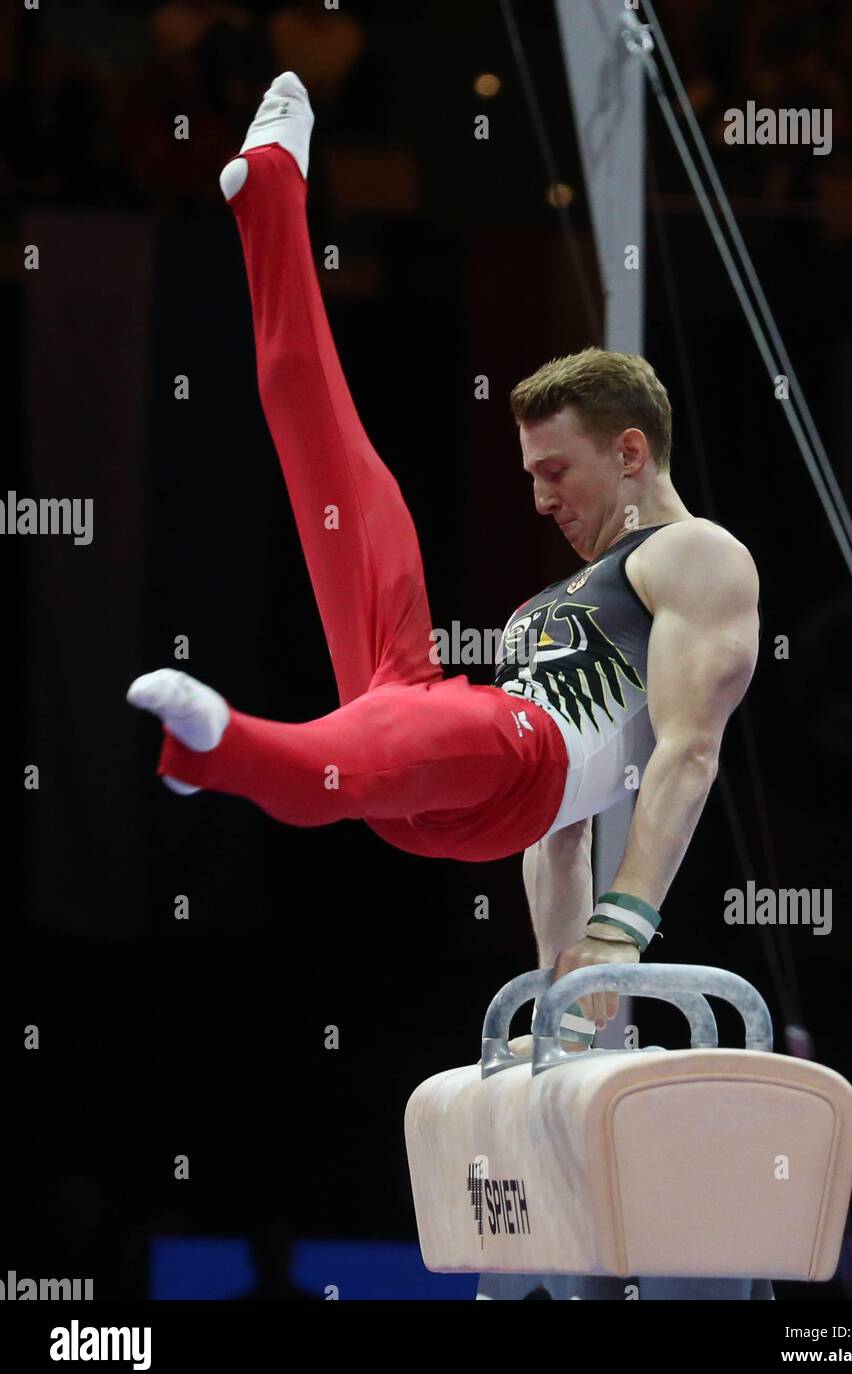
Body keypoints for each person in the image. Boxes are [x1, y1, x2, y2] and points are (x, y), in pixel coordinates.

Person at [127, 72, 760, 1049]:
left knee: (410, 721)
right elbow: (561, 841)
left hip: (508, 757)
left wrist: (622, 930)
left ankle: (223, 748)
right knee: (327, 456)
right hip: (454, 775)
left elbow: (689, 747)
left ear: (631, 451)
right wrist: (571, 1004)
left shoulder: (698, 557)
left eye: (557, 471)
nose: (540, 499)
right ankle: (271, 200)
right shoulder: (558, 601)